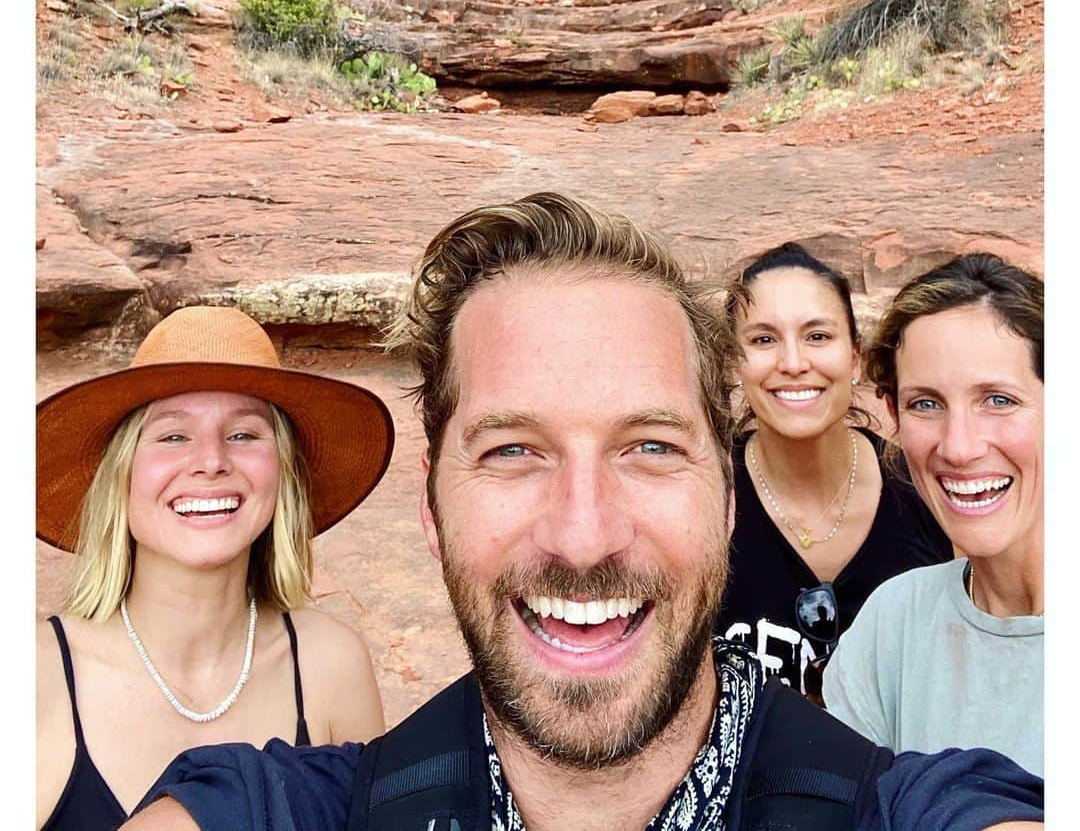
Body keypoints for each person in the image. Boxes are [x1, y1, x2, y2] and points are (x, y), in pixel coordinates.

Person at [120, 195, 1042, 831]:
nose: (583, 533)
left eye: (649, 447)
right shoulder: (279, 804)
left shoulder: (902, 801)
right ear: (433, 506)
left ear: (727, 496)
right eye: (514, 450)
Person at [36, 304, 396, 831]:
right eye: (173, 436)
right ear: (121, 476)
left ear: (283, 474)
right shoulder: (31, 677)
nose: (211, 461)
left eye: (245, 434)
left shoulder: (328, 666)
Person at [823, 253, 1044, 776]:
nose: (960, 447)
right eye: (926, 404)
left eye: (998, 399)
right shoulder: (893, 623)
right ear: (894, 416)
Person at [715, 243, 951, 698]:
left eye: (817, 336)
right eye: (764, 339)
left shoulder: (925, 491)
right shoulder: (707, 496)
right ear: (733, 363)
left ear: (855, 357)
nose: (794, 362)